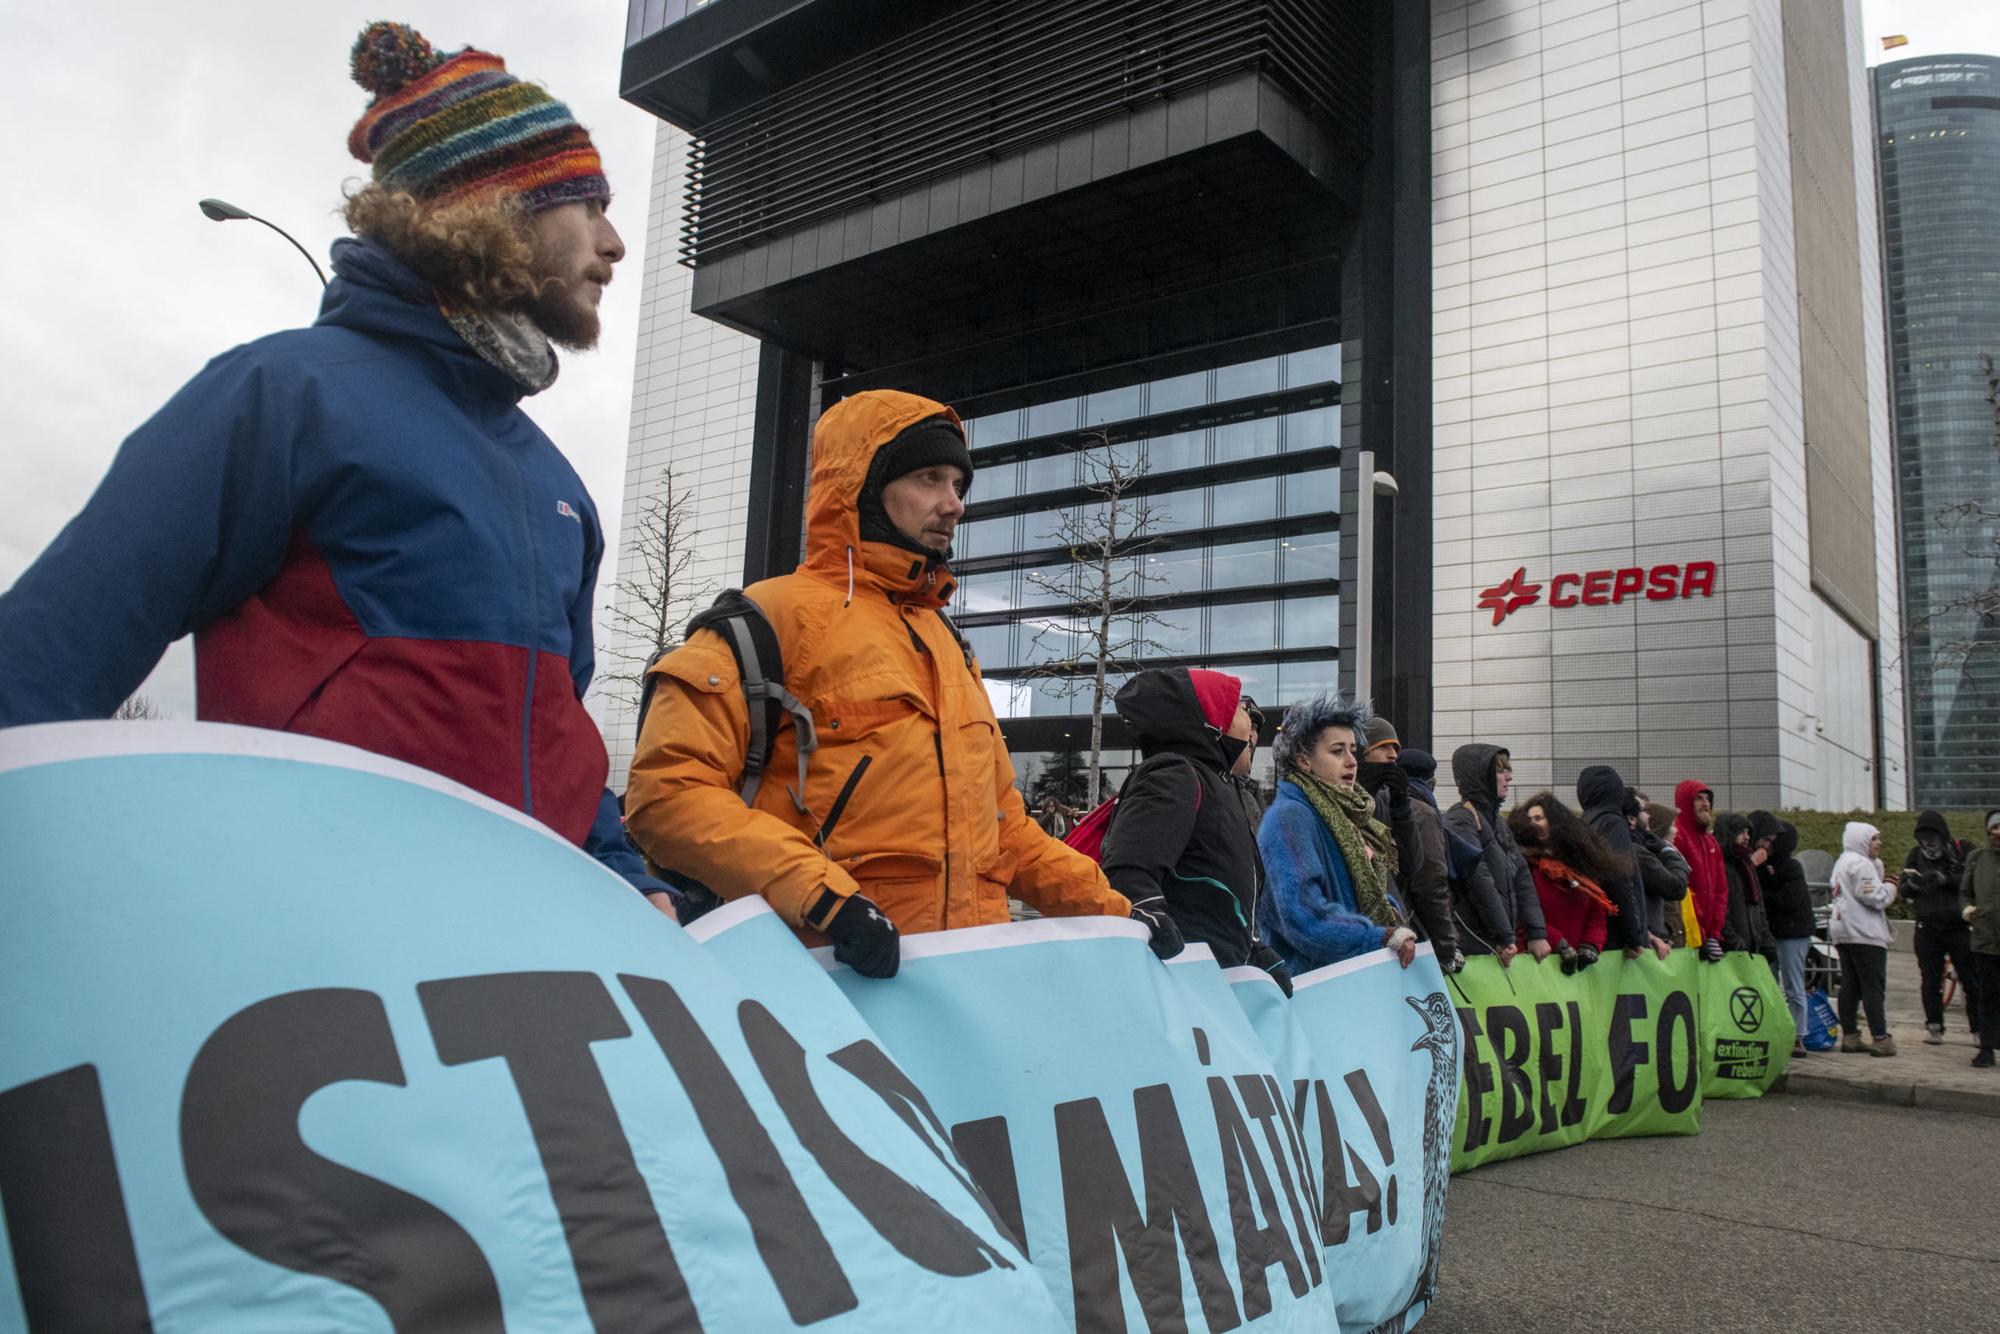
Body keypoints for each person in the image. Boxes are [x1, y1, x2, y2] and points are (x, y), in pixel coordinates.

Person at [0, 21, 672, 910]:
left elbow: (553, 726)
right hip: (310, 947)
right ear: (495, 208)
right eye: (589, 206)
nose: (615, 244)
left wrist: (626, 875)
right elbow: (51, 656)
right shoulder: (284, 393)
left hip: (518, 960)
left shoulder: (557, 481)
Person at [624, 391, 1148, 978]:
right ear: (864, 486)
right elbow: (667, 796)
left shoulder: (950, 647)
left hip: (969, 993)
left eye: (958, 485)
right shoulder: (767, 622)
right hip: (819, 993)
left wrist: (1119, 913)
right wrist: (825, 899)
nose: (954, 505)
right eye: (929, 478)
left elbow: (1006, 832)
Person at [1100, 668, 1289, 990]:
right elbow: (1127, 870)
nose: (1251, 721)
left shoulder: (1220, 784)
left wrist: (1256, 950)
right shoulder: (1175, 773)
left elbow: (1219, 891)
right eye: (1241, 707)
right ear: (1215, 719)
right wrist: (1150, 919)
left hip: (1217, 977)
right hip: (1179, 980)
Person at [1257, 694, 1416, 974]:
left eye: (1353, 750)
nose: (1352, 761)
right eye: (1337, 751)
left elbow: (1362, 893)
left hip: (1351, 978)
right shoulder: (1290, 817)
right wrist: (1377, 937)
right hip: (1315, 988)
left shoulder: (1343, 812)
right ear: (1304, 760)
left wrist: (1389, 912)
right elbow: (1302, 915)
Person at [1358, 719, 1458, 967]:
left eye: (1396, 748)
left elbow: (1411, 866)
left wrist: (1401, 807)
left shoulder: (1386, 797)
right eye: (1383, 747)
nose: (1393, 755)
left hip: (1396, 933)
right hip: (1367, 936)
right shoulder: (1345, 799)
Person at [1444, 744, 1552, 965]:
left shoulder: (1498, 822)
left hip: (1495, 943)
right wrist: (1504, 936)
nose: (1508, 777)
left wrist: (1536, 931)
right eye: (1500, 771)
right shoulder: (1462, 819)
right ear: (1480, 776)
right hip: (1475, 943)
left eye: (1508, 770)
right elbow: (1480, 883)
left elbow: (1522, 877)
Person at [1507, 793, 1623, 973]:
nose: (1533, 823)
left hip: (1576, 968)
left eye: (1539, 818)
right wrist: (1559, 944)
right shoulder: (1523, 866)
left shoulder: (1580, 867)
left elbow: (1596, 913)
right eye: (1529, 819)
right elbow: (1523, 914)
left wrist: (1590, 945)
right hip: (1537, 964)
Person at [1577, 765, 1667, 960]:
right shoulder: (1612, 822)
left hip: (1599, 933)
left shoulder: (1586, 822)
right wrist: (1635, 936)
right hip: (1617, 939)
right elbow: (1621, 879)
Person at [1904, 809, 1979, 1044]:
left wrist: (1946, 880)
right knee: (1930, 980)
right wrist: (1912, 886)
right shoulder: (1916, 854)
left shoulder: (1961, 849)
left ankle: (1979, 1029)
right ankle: (1934, 1026)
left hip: (1959, 927)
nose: (1929, 845)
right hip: (1928, 927)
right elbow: (1904, 888)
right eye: (1924, 840)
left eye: (1933, 839)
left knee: (1971, 980)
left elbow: (1973, 881)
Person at [1829, 821, 1898, 1056]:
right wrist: (1891, 886)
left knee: (1850, 985)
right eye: (1874, 839)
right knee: (1873, 986)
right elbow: (1873, 897)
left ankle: (1850, 1036)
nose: (1879, 843)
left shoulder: (1842, 861)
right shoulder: (1861, 864)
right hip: (1865, 933)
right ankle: (1880, 1037)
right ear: (1862, 841)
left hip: (1843, 930)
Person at [1757, 817, 1816, 1058]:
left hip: (1793, 933)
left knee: (1794, 985)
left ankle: (1798, 1035)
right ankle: (1775, 1029)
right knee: (1770, 983)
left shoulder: (1791, 868)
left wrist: (1764, 894)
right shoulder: (1762, 865)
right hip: (1773, 932)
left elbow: (1788, 901)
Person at [1958, 810, 2000, 1068]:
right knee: (1987, 995)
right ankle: (1987, 1047)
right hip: (1984, 939)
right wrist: (1967, 910)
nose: (1998, 833)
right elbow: (1965, 892)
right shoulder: (1976, 858)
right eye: (1994, 828)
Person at [1672, 780, 1729, 962]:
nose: (1706, 804)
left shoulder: (1711, 842)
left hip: (1708, 937)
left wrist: (1714, 932)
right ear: (1685, 803)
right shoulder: (1678, 837)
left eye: (1707, 799)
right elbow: (1683, 890)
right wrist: (1700, 933)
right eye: (1699, 798)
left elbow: (1721, 889)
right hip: (1688, 934)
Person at [1625, 790, 1690, 947]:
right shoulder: (1641, 853)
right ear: (1632, 819)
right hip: (1654, 943)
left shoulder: (1640, 850)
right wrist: (1668, 851)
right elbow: (1676, 887)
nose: (1648, 817)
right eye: (1643, 811)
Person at [1716, 813, 1777, 966]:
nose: (1747, 837)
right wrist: (1736, 944)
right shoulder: (1720, 865)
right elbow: (1720, 910)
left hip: (1751, 947)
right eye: (1741, 832)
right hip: (1731, 951)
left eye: (1748, 832)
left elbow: (1758, 907)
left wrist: (1766, 941)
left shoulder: (1746, 865)